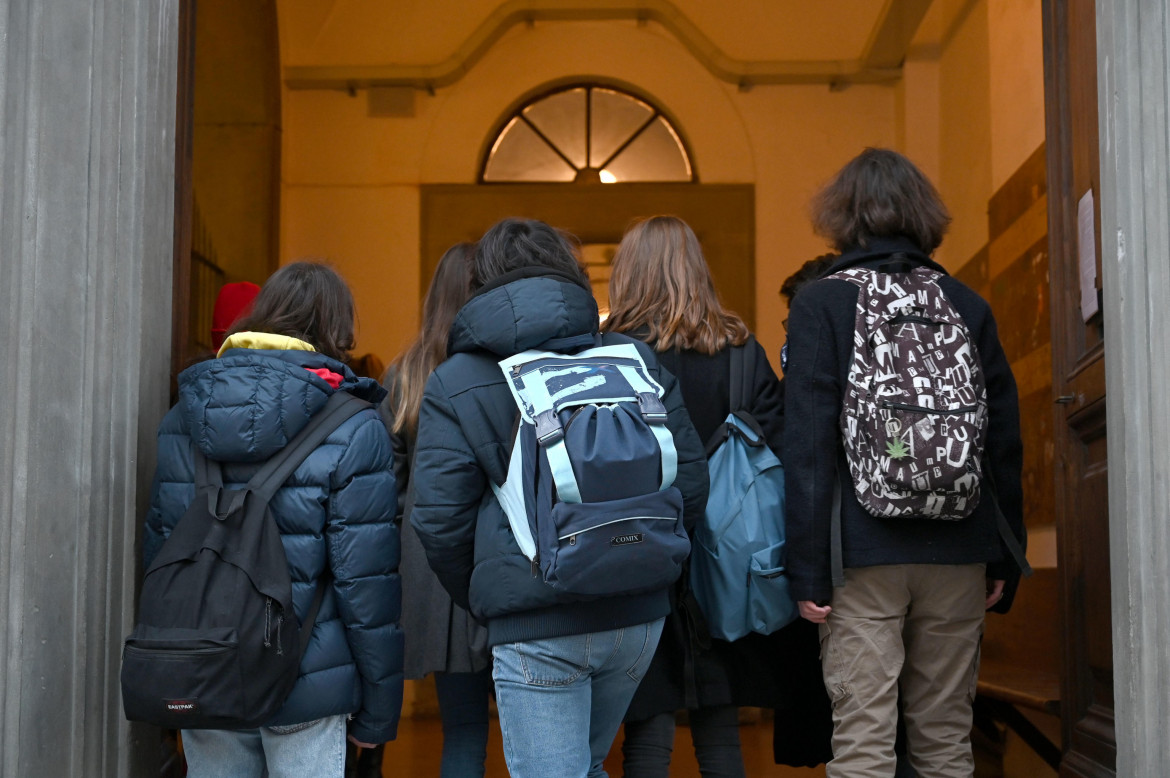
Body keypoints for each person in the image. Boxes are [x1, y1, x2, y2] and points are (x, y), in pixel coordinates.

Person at [409, 218, 709, 778]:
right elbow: (689, 480)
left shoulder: (458, 379)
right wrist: (643, 557)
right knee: (587, 765)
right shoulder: (632, 358)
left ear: (483, 284)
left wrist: (487, 596)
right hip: (637, 617)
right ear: (573, 277)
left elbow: (438, 519)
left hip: (535, 625)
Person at [784, 148, 1026, 777]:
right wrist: (1004, 553)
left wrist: (807, 570)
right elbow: (1002, 440)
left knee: (863, 743)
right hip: (958, 548)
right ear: (925, 216)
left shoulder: (822, 303)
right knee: (945, 740)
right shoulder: (966, 303)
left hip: (861, 553)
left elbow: (809, 445)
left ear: (841, 218)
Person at [143, 261, 404, 778]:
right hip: (308, 677)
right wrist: (378, 708)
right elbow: (366, 585)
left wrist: (168, 662)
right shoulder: (354, 426)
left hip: (204, 662)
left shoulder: (182, 417)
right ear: (338, 330)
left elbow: (162, 551)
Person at [603, 215, 822, 777]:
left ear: (627, 275)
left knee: (646, 727)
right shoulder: (741, 348)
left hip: (640, 553)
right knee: (719, 728)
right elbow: (779, 445)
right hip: (726, 558)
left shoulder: (611, 353)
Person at [377, 243, 493, 778]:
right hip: (503, 558)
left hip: (430, 569)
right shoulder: (504, 369)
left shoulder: (404, 375)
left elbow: (390, 488)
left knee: (463, 730)